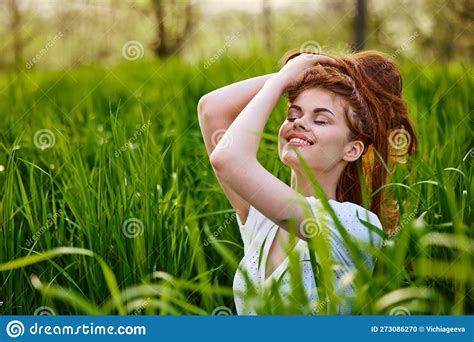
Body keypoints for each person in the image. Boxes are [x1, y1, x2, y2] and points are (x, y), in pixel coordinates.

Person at [197, 50, 417, 314]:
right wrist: (291, 76)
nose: (299, 123)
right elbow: (211, 109)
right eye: (292, 115)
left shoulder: (355, 224)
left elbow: (228, 158)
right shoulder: (261, 219)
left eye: (321, 119)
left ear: (352, 150)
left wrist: (281, 82)